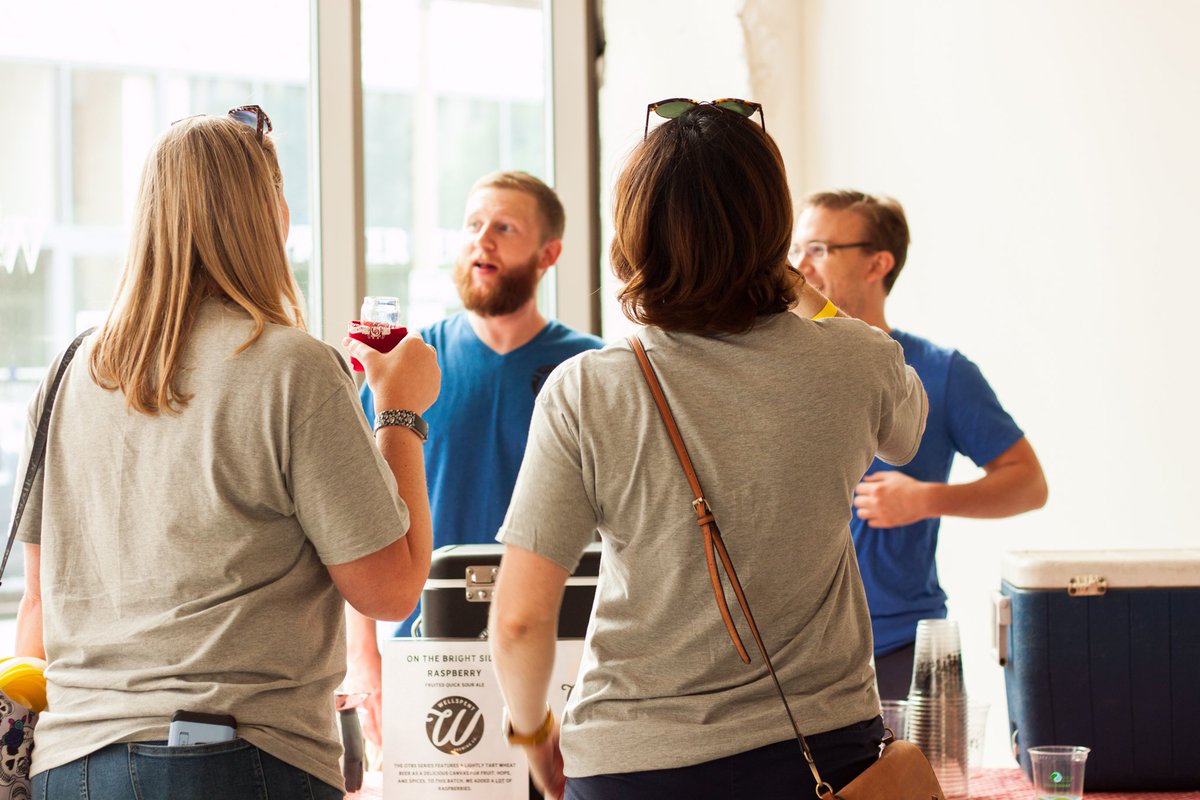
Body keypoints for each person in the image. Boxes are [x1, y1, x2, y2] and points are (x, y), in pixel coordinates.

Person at [488, 101, 928, 800]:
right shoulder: (855, 360)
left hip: (632, 765)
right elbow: (906, 437)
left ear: (632, 232)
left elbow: (518, 618)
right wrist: (789, 283)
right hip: (824, 756)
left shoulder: (588, 389)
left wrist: (532, 733)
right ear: (776, 229)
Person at [11, 108, 439, 799]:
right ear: (270, 216)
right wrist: (400, 412)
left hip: (72, 765)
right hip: (237, 761)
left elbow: (37, 604)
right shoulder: (293, 368)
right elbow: (389, 591)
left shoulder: (64, 376)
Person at [348, 170, 603, 744]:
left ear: (549, 253)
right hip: (426, 652)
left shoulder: (590, 371)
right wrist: (363, 657)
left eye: (504, 228)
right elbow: (356, 518)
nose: (481, 239)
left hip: (562, 650)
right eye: (472, 225)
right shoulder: (401, 368)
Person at [792, 190, 1049, 700]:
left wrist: (927, 499)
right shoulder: (778, 365)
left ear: (878, 263)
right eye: (795, 250)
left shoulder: (941, 371)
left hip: (903, 648)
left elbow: (1028, 484)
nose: (799, 267)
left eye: (818, 249)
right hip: (795, 653)